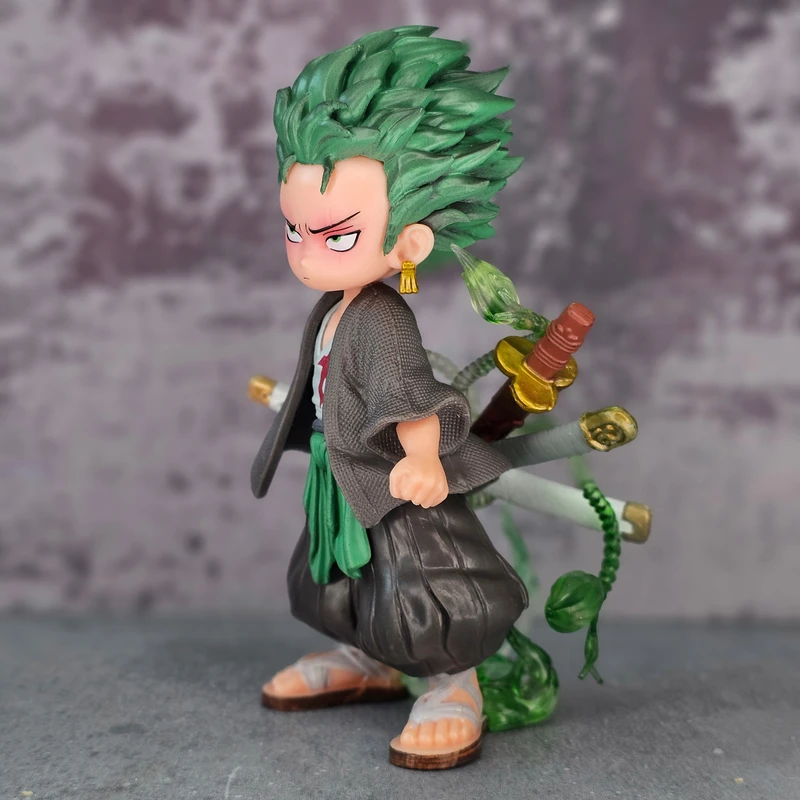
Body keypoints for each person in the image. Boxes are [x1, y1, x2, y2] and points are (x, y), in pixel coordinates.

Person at [250, 25, 528, 769]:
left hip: (395, 482)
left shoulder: (381, 318)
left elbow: (410, 395)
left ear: (408, 244)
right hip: (342, 477)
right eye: (293, 229)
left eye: (336, 237)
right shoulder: (336, 305)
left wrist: (423, 460)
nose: (306, 254)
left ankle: (454, 685)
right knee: (338, 579)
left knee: (423, 588)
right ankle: (367, 658)